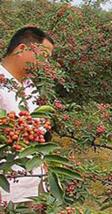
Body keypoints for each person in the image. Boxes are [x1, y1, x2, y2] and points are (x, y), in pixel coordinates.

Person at [0, 26, 54, 204]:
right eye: (43, 56)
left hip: (33, 184)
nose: (45, 64)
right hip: (6, 189)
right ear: (22, 49)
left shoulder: (30, 86)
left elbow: (38, 131)